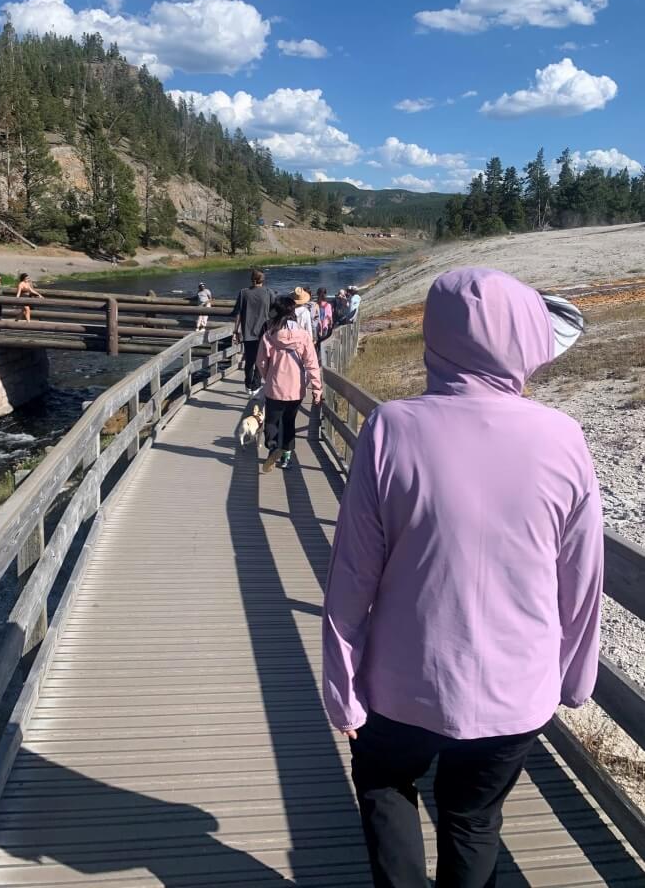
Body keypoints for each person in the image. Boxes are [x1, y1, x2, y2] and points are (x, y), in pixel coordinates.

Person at [323, 268, 601, 888]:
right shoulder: (564, 439)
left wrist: (342, 683)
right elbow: (581, 582)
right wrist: (574, 678)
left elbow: (352, 575)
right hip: (516, 690)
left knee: (386, 782)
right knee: (474, 817)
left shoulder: (392, 428)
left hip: (403, 683)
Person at [256, 296, 322, 472]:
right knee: (289, 421)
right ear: (292, 312)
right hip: (297, 388)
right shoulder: (303, 336)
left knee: (271, 422)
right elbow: (312, 363)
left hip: (275, 387)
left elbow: (261, 363)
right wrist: (317, 388)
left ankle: (272, 448)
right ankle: (286, 457)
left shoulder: (269, 336)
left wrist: (268, 376)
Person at [232, 269, 275, 395]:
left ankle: (248, 384)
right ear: (263, 280)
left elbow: (238, 313)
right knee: (261, 360)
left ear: (252, 279)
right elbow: (275, 310)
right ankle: (256, 386)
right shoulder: (268, 292)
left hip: (248, 331)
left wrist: (236, 330)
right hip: (264, 332)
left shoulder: (243, 292)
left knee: (249, 360)